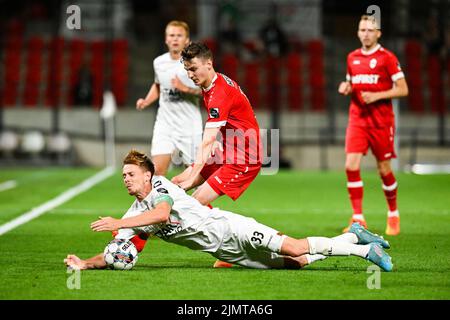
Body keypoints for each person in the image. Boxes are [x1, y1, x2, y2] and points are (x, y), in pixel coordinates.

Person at [64, 150, 393, 271]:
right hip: (225, 251)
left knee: (293, 245)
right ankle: (351, 235)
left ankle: (366, 251)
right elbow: (117, 250)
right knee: (297, 262)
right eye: (123, 175)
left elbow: (162, 215)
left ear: (148, 175)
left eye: (131, 174)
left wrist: (120, 222)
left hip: (229, 228)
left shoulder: (162, 188)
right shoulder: (135, 211)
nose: (126, 180)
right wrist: (86, 264)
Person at [338, 15, 409, 235]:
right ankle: (358, 218)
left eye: (370, 30)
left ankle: (393, 214)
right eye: (362, 30)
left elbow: (403, 89)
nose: (366, 34)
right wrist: (346, 87)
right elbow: (352, 82)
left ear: (378, 33)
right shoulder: (352, 58)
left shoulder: (387, 58)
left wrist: (378, 96)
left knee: (383, 169)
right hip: (358, 119)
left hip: (381, 122)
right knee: (350, 165)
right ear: (358, 32)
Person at [171, 42, 262, 207]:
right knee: (176, 182)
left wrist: (192, 179)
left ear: (209, 64)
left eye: (193, 69)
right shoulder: (213, 82)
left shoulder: (219, 94)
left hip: (244, 157)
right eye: (187, 70)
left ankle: (219, 229)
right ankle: (140, 230)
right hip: (228, 150)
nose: (190, 75)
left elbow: (207, 141)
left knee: (195, 202)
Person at [136, 21, 203, 176]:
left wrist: (184, 88)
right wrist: (146, 101)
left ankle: (197, 201)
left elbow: (205, 90)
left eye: (179, 36)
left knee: (194, 175)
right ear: (166, 39)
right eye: (171, 35)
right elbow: (158, 84)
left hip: (189, 126)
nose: (175, 39)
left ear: (187, 40)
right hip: (165, 124)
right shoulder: (159, 62)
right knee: (157, 172)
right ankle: (163, 201)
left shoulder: (195, 63)